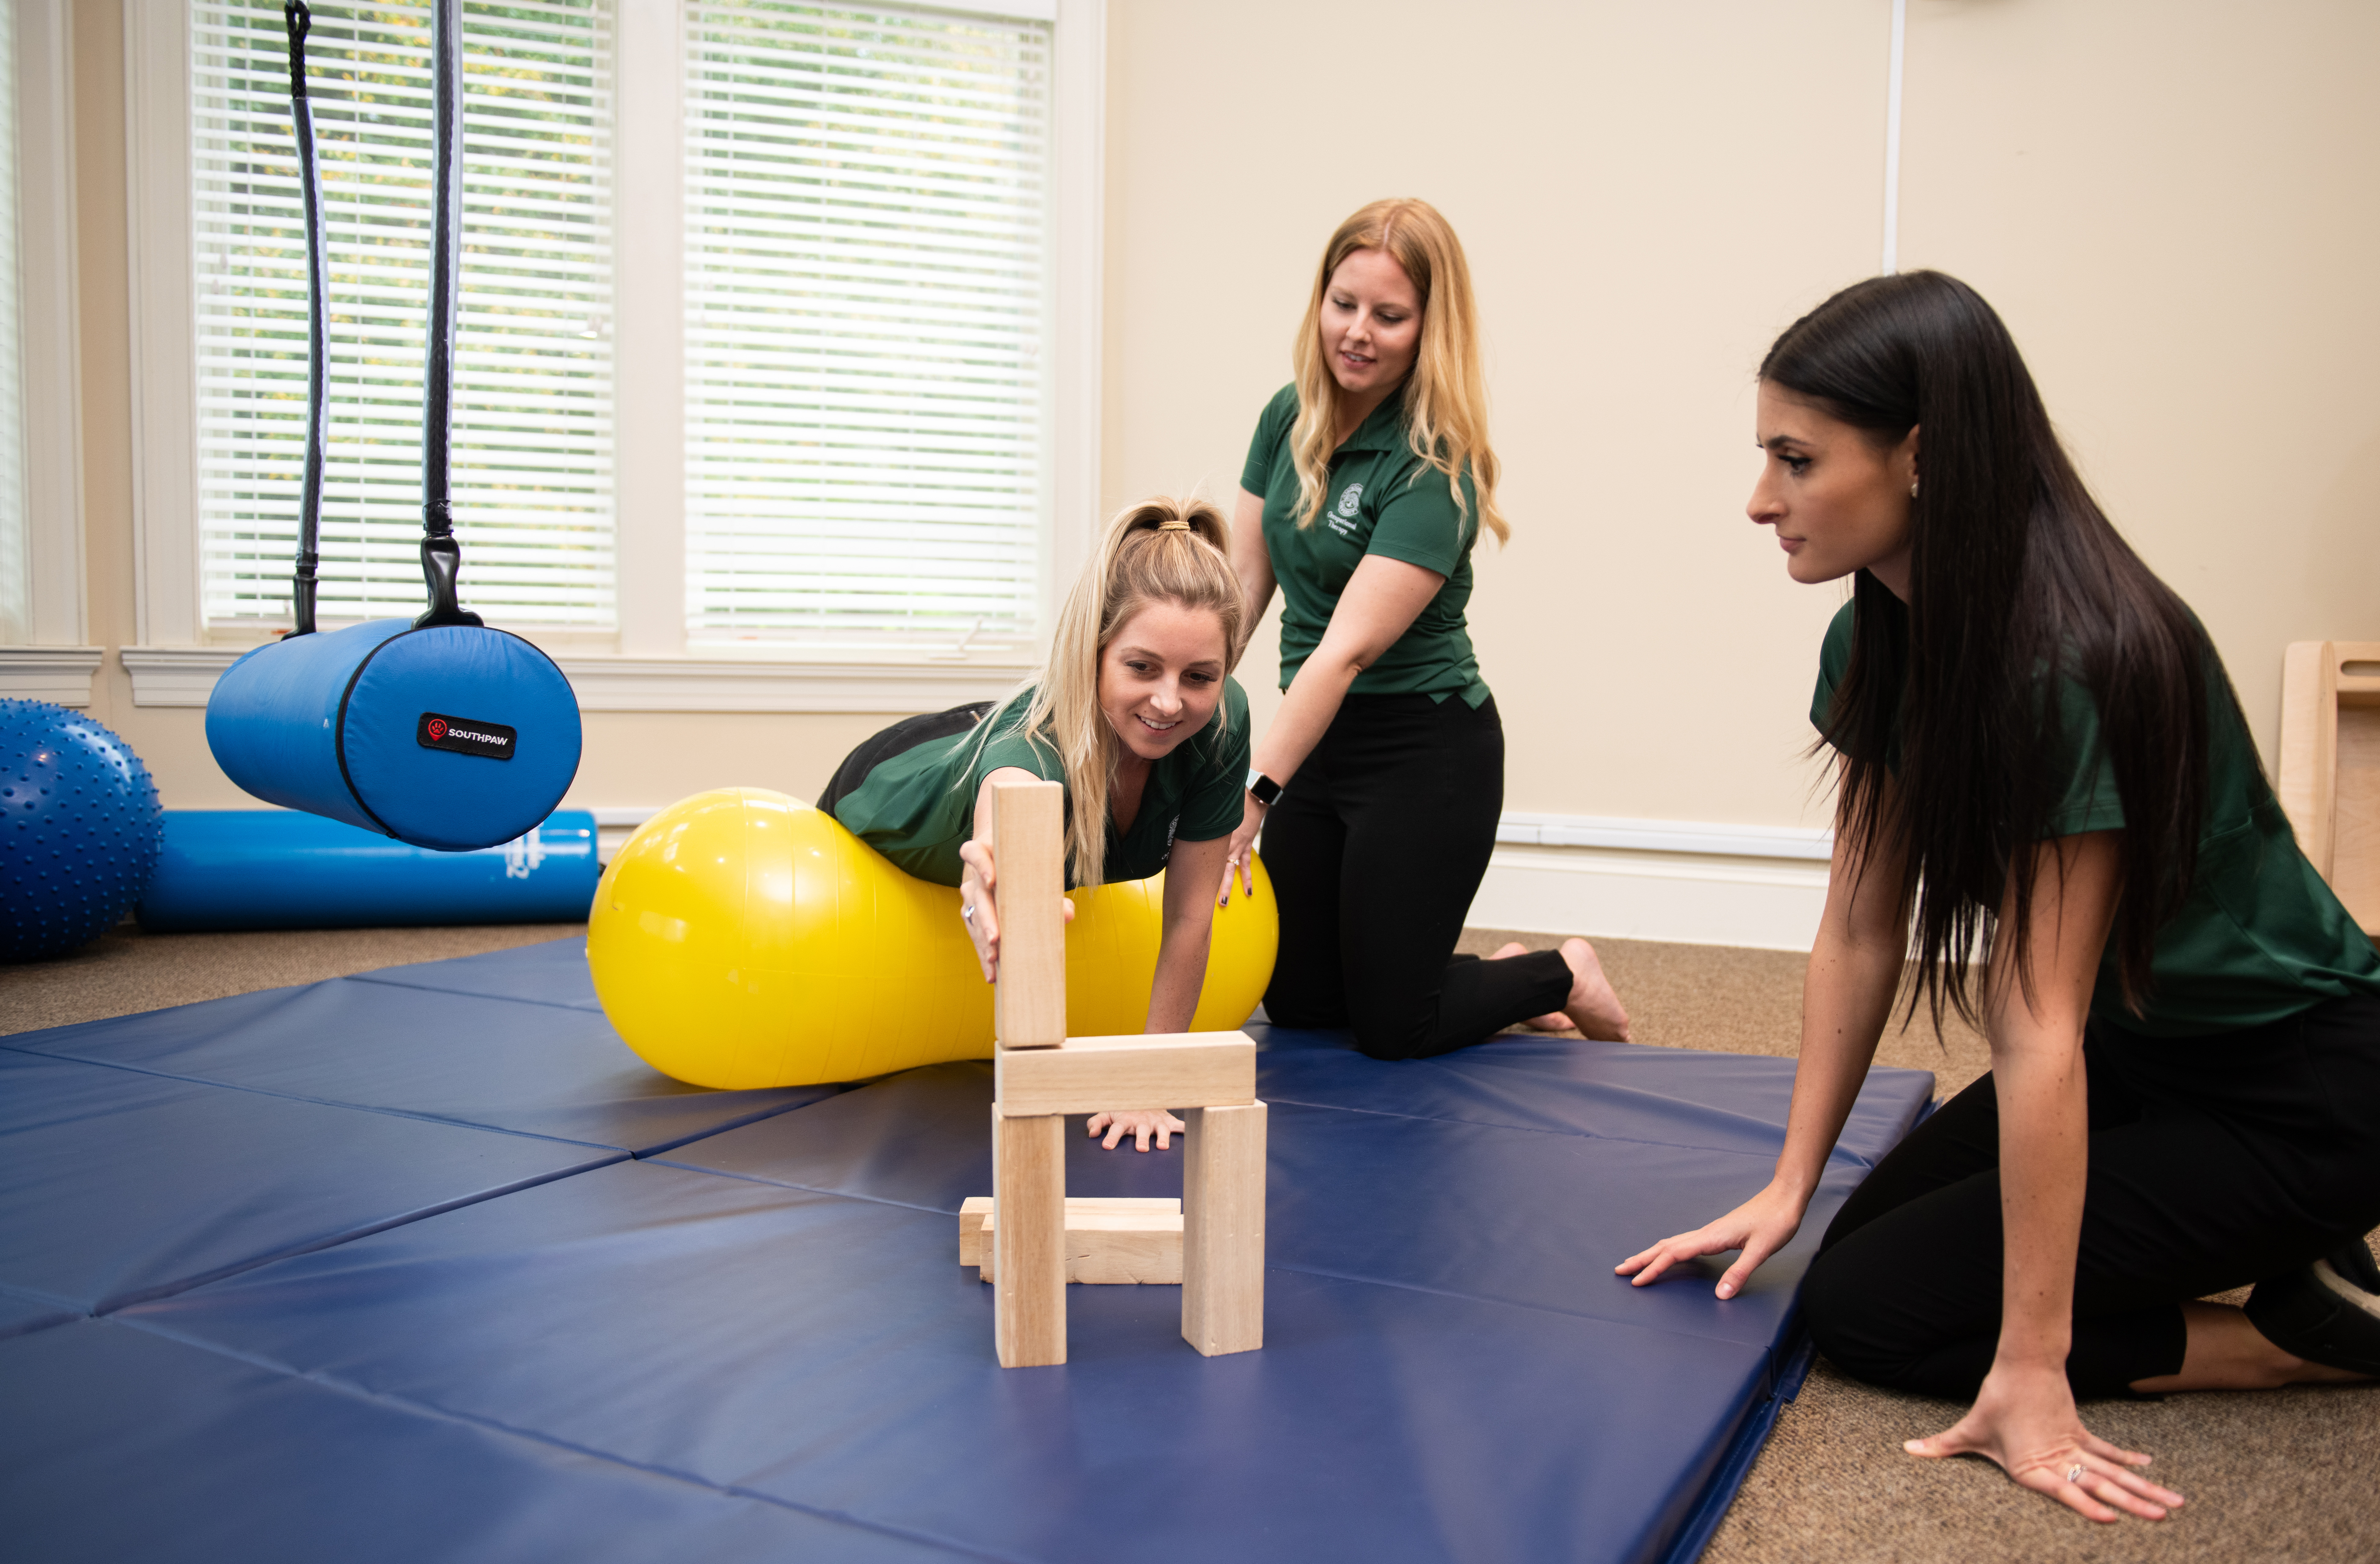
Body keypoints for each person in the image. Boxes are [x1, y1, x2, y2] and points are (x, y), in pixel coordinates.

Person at [1617, 270, 2380, 1525]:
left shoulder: (2072, 660)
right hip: (2146, 1057)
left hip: (2299, 1093)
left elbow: (2033, 1027)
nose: (1760, 500)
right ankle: (2270, 1269)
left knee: (1874, 1315)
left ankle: (2308, 1331)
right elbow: (1860, 928)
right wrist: (1787, 1181)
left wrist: (2031, 1366)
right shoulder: (1875, 635)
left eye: (1795, 460)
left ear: (1915, 456)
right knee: (1855, 1252)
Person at [1219, 197, 1630, 1059]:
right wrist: (1187, 713)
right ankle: (1466, 966)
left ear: (1429, 327)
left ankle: (1560, 970)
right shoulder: (1283, 417)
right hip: (1320, 744)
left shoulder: (1436, 463)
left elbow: (1345, 651)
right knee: (1294, 1001)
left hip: (1425, 751)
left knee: (1392, 1024)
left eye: (1389, 315)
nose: (1357, 332)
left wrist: (1253, 798)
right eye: (1343, 303)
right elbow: (1242, 592)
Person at [822, 497, 1252, 1151]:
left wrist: (1148, 1081)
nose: (1170, 699)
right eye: (1141, 666)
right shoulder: (1033, 751)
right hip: (896, 781)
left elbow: (1192, 914)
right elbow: (1006, 801)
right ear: (1095, 651)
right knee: (1003, 749)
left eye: (1198, 675)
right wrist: (986, 873)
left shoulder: (1219, 721)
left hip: (1005, 726)